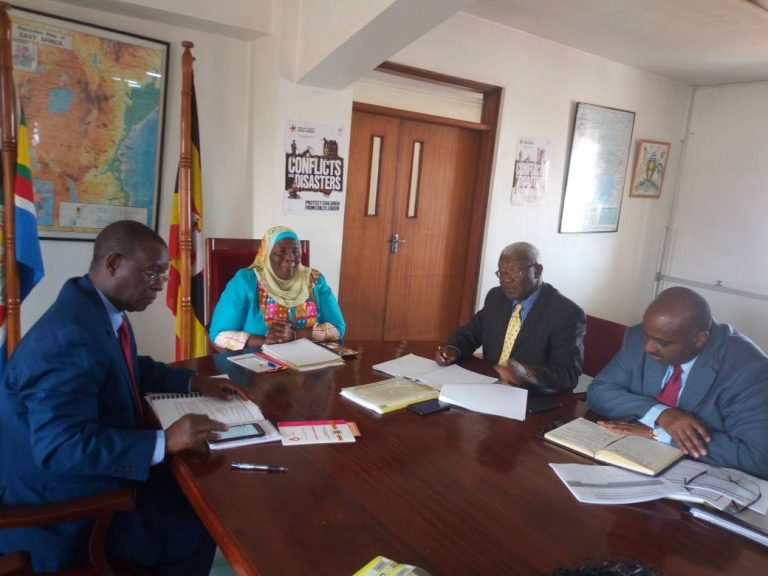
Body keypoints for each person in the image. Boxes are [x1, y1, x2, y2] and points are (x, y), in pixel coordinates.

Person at [0, 220, 241, 574]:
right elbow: (60, 447)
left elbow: (127, 365)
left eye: (163, 274)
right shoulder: (67, 338)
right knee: (197, 526)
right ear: (113, 263)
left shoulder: (96, 308)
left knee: (196, 491)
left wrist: (193, 383)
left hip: (81, 474)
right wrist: (164, 440)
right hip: (62, 509)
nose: (160, 286)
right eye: (153, 273)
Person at [587, 287, 768, 478]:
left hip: (698, 478)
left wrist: (660, 434)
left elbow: (758, 458)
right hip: (631, 458)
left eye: (662, 343)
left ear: (699, 339)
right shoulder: (639, 336)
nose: (648, 347)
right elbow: (599, 391)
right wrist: (662, 414)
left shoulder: (748, 369)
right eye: (646, 335)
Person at [436, 242, 585, 394]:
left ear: (537, 271)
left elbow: (568, 375)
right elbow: (470, 333)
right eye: (502, 272)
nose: (507, 279)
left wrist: (527, 373)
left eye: (515, 271)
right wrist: (452, 349)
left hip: (532, 397)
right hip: (489, 386)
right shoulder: (496, 297)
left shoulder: (566, 313)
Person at [209, 225, 345, 350]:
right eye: (281, 252)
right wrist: (264, 341)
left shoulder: (315, 280)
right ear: (266, 254)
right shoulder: (246, 281)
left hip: (308, 362)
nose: (290, 258)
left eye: (295, 251)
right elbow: (219, 335)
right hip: (259, 363)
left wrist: (295, 335)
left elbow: (338, 329)